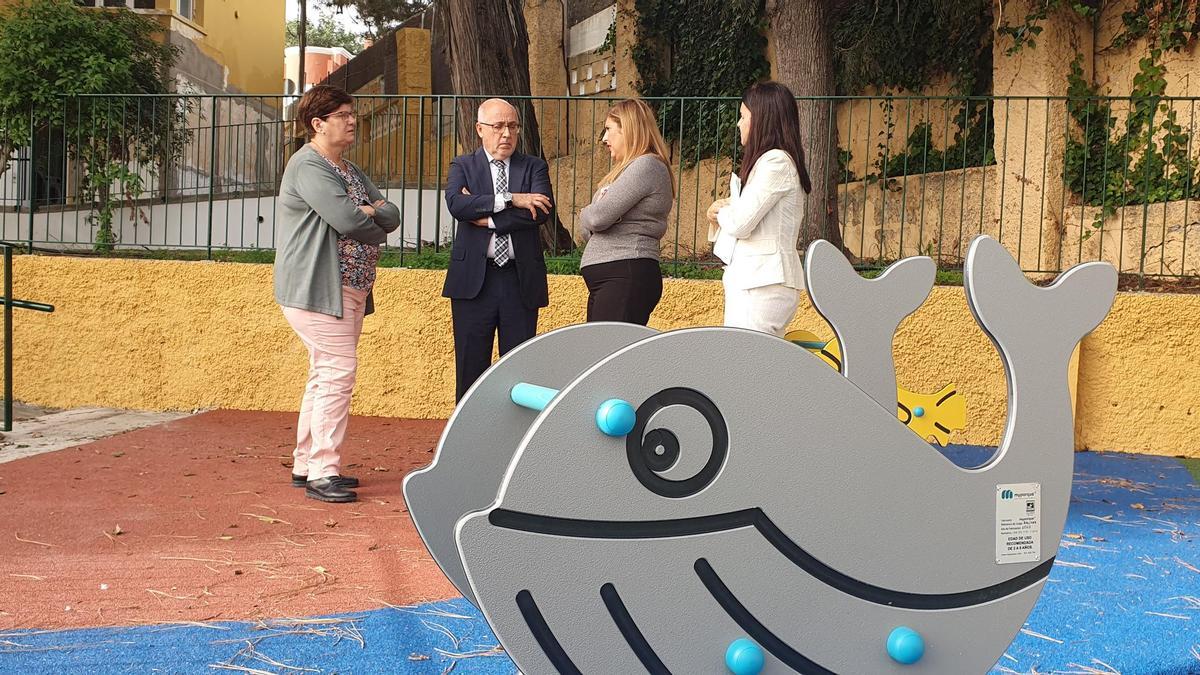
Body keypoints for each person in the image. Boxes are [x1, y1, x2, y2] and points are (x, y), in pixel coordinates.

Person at [274, 84, 400, 503]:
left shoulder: (348, 168)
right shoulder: (309, 165)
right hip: (317, 287)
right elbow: (349, 221)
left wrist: (371, 210)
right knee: (338, 372)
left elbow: (391, 213)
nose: (352, 121)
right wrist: (367, 211)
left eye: (352, 113)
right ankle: (323, 472)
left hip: (348, 289)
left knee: (324, 373)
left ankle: (306, 462)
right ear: (318, 123)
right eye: (343, 115)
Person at [442, 99, 553, 401]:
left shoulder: (534, 166)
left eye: (513, 126)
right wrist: (512, 198)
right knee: (470, 366)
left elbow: (540, 212)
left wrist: (486, 216)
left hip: (519, 281)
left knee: (517, 370)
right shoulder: (462, 165)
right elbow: (457, 205)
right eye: (498, 126)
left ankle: (513, 440)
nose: (506, 133)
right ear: (480, 129)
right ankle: (467, 439)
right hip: (474, 282)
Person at [706, 81, 811, 337]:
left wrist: (721, 212)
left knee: (748, 367)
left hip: (762, 284)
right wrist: (723, 212)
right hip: (756, 282)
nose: (739, 124)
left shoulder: (776, 162)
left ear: (762, 119)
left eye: (743, 117)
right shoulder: (770, 163)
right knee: (746, 367)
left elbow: (742, 223)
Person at [578, 99, 674, 325]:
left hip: (625, 275)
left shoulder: (646, 166)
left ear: (628, 130)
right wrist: (596, 216)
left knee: (610, 355)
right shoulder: (623, 172)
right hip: (613, 278)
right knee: (600, 354)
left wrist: (587, 212)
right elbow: (589, 229)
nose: (604, 139)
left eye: (609, 130)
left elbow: (596, 217)